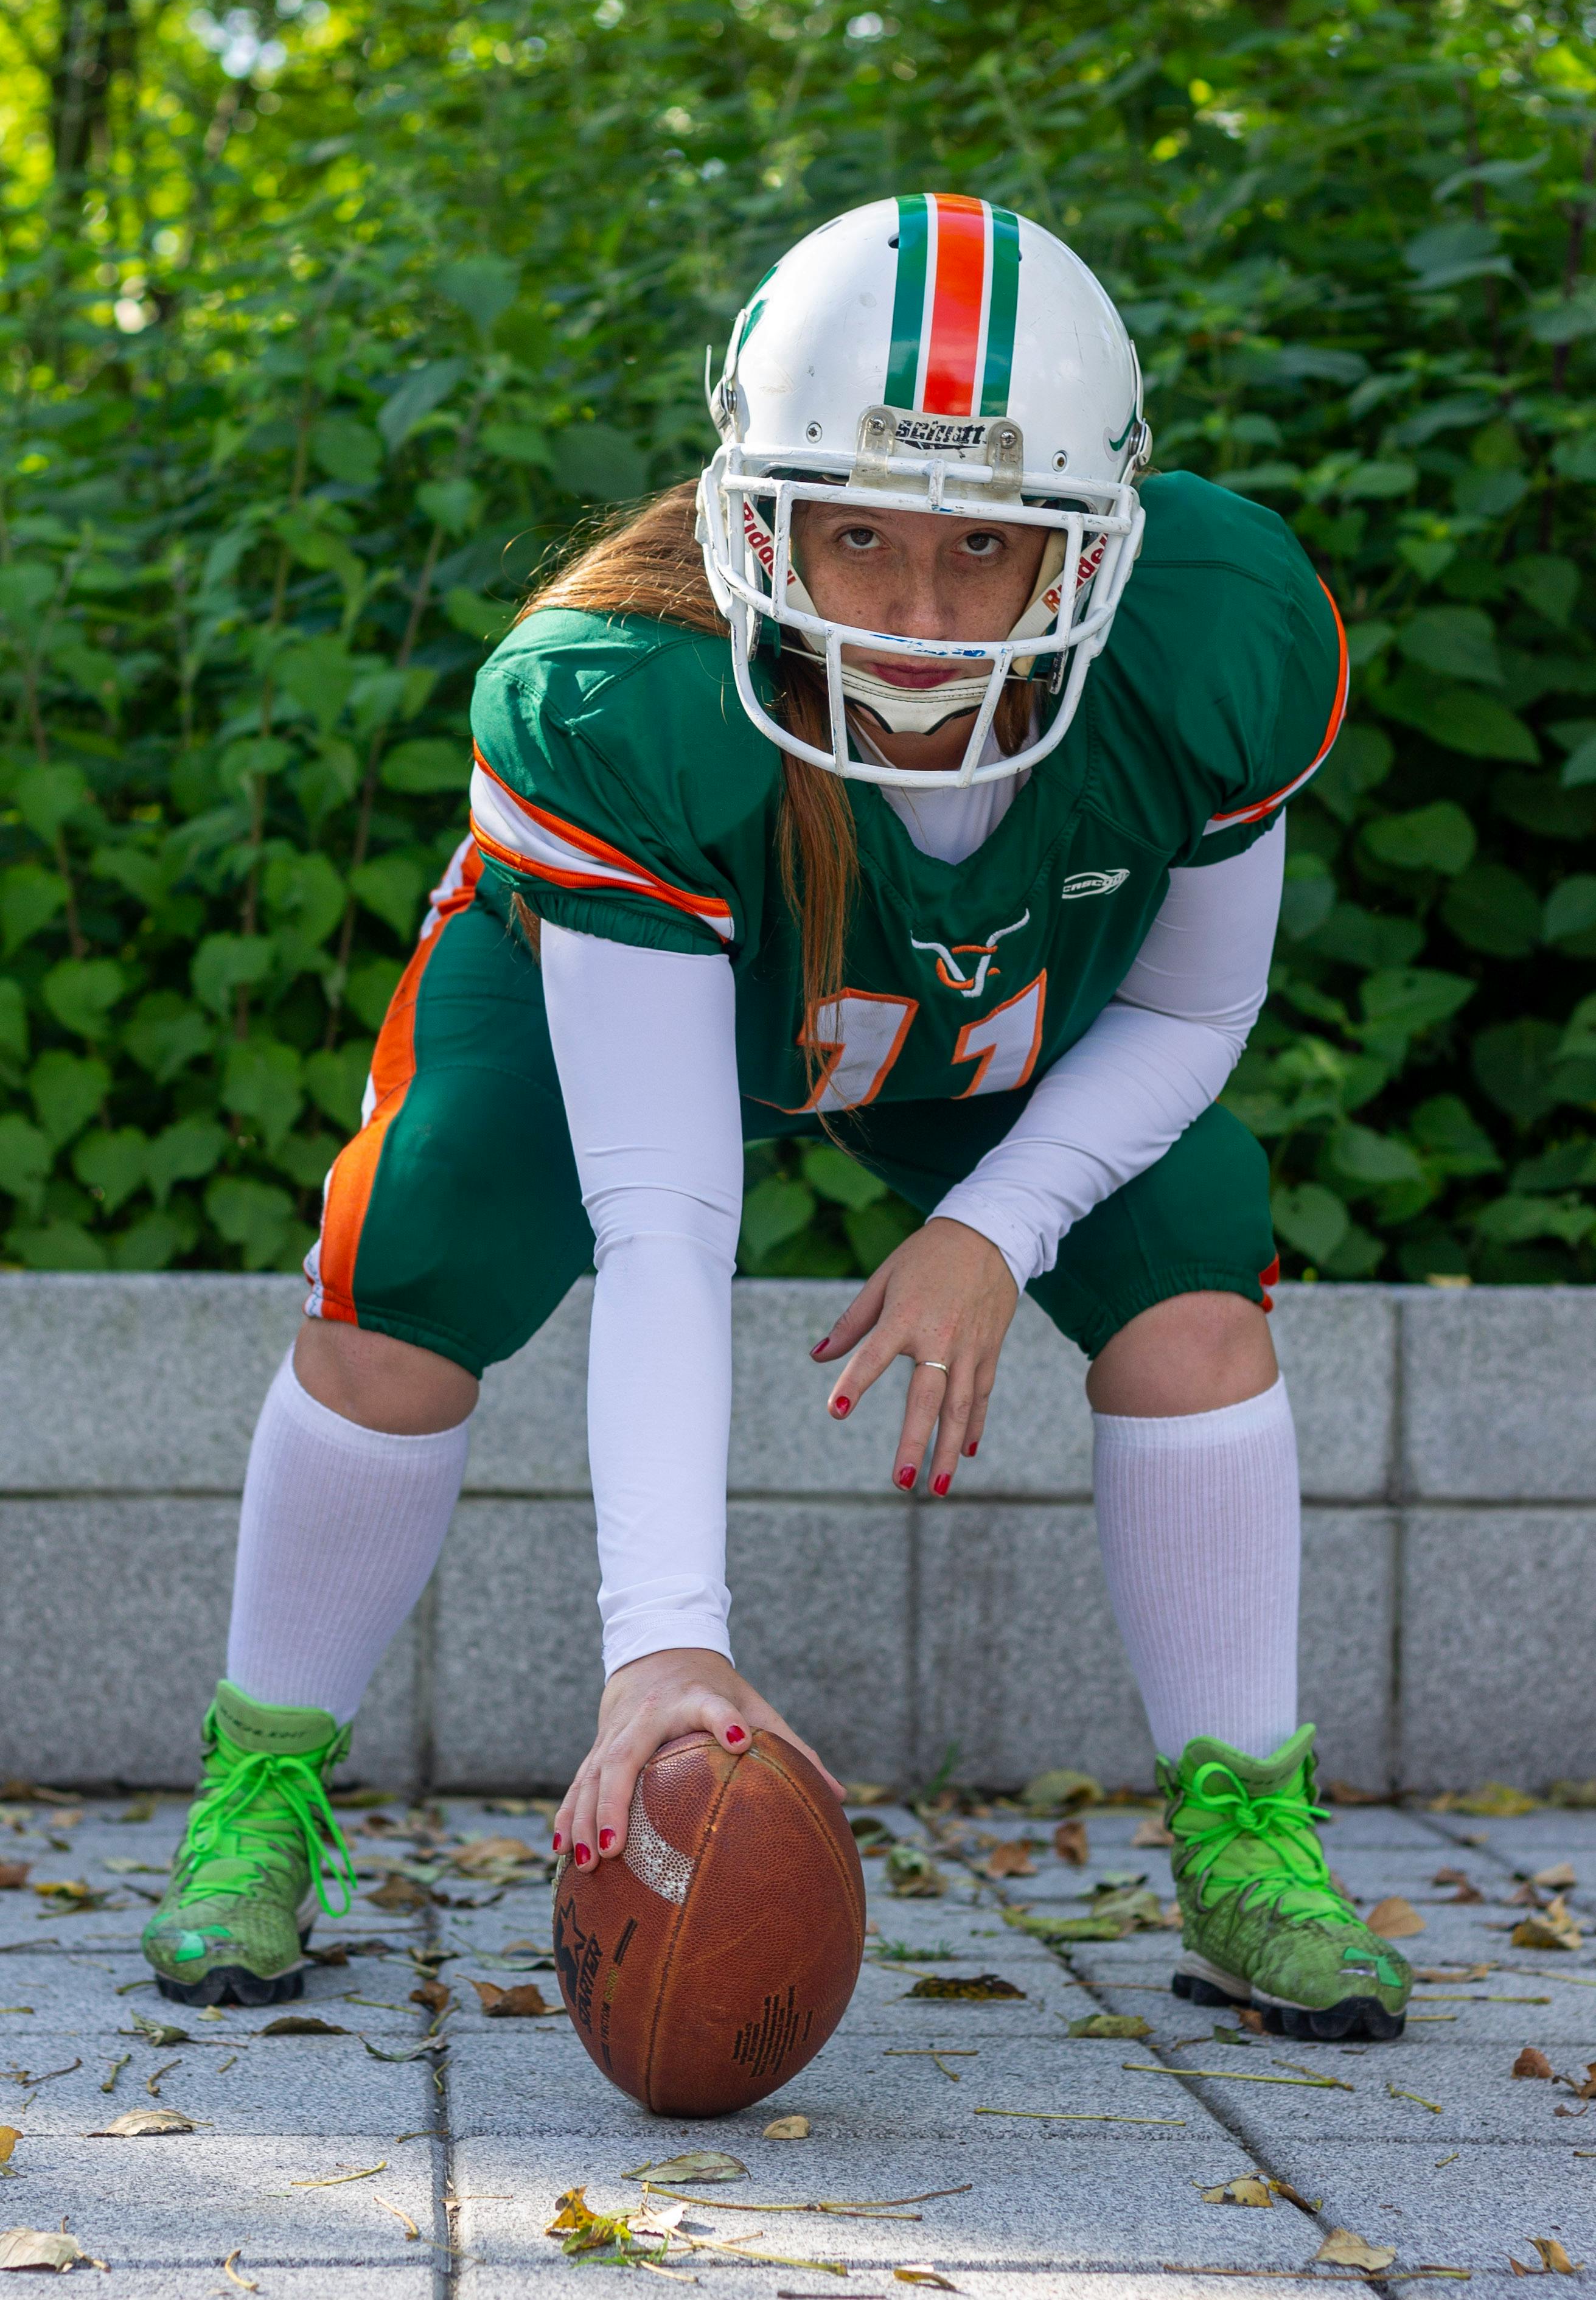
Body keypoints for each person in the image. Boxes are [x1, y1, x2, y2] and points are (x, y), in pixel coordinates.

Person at [142, 193, 1411, 2044]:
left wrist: (994, 1224)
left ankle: (1247, 1838)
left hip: (1001, 1009)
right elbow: (667, 1216)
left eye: (984, 546)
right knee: (405, 1269)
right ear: (763, 518)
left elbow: (1198, 1004)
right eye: (862, 537)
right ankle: (258, 1788)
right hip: (667, 966)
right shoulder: (629, 704)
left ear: (1091, 542)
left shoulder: (1212, 636)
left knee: (1199, 1289)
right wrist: (667, 1643)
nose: (914, 613)